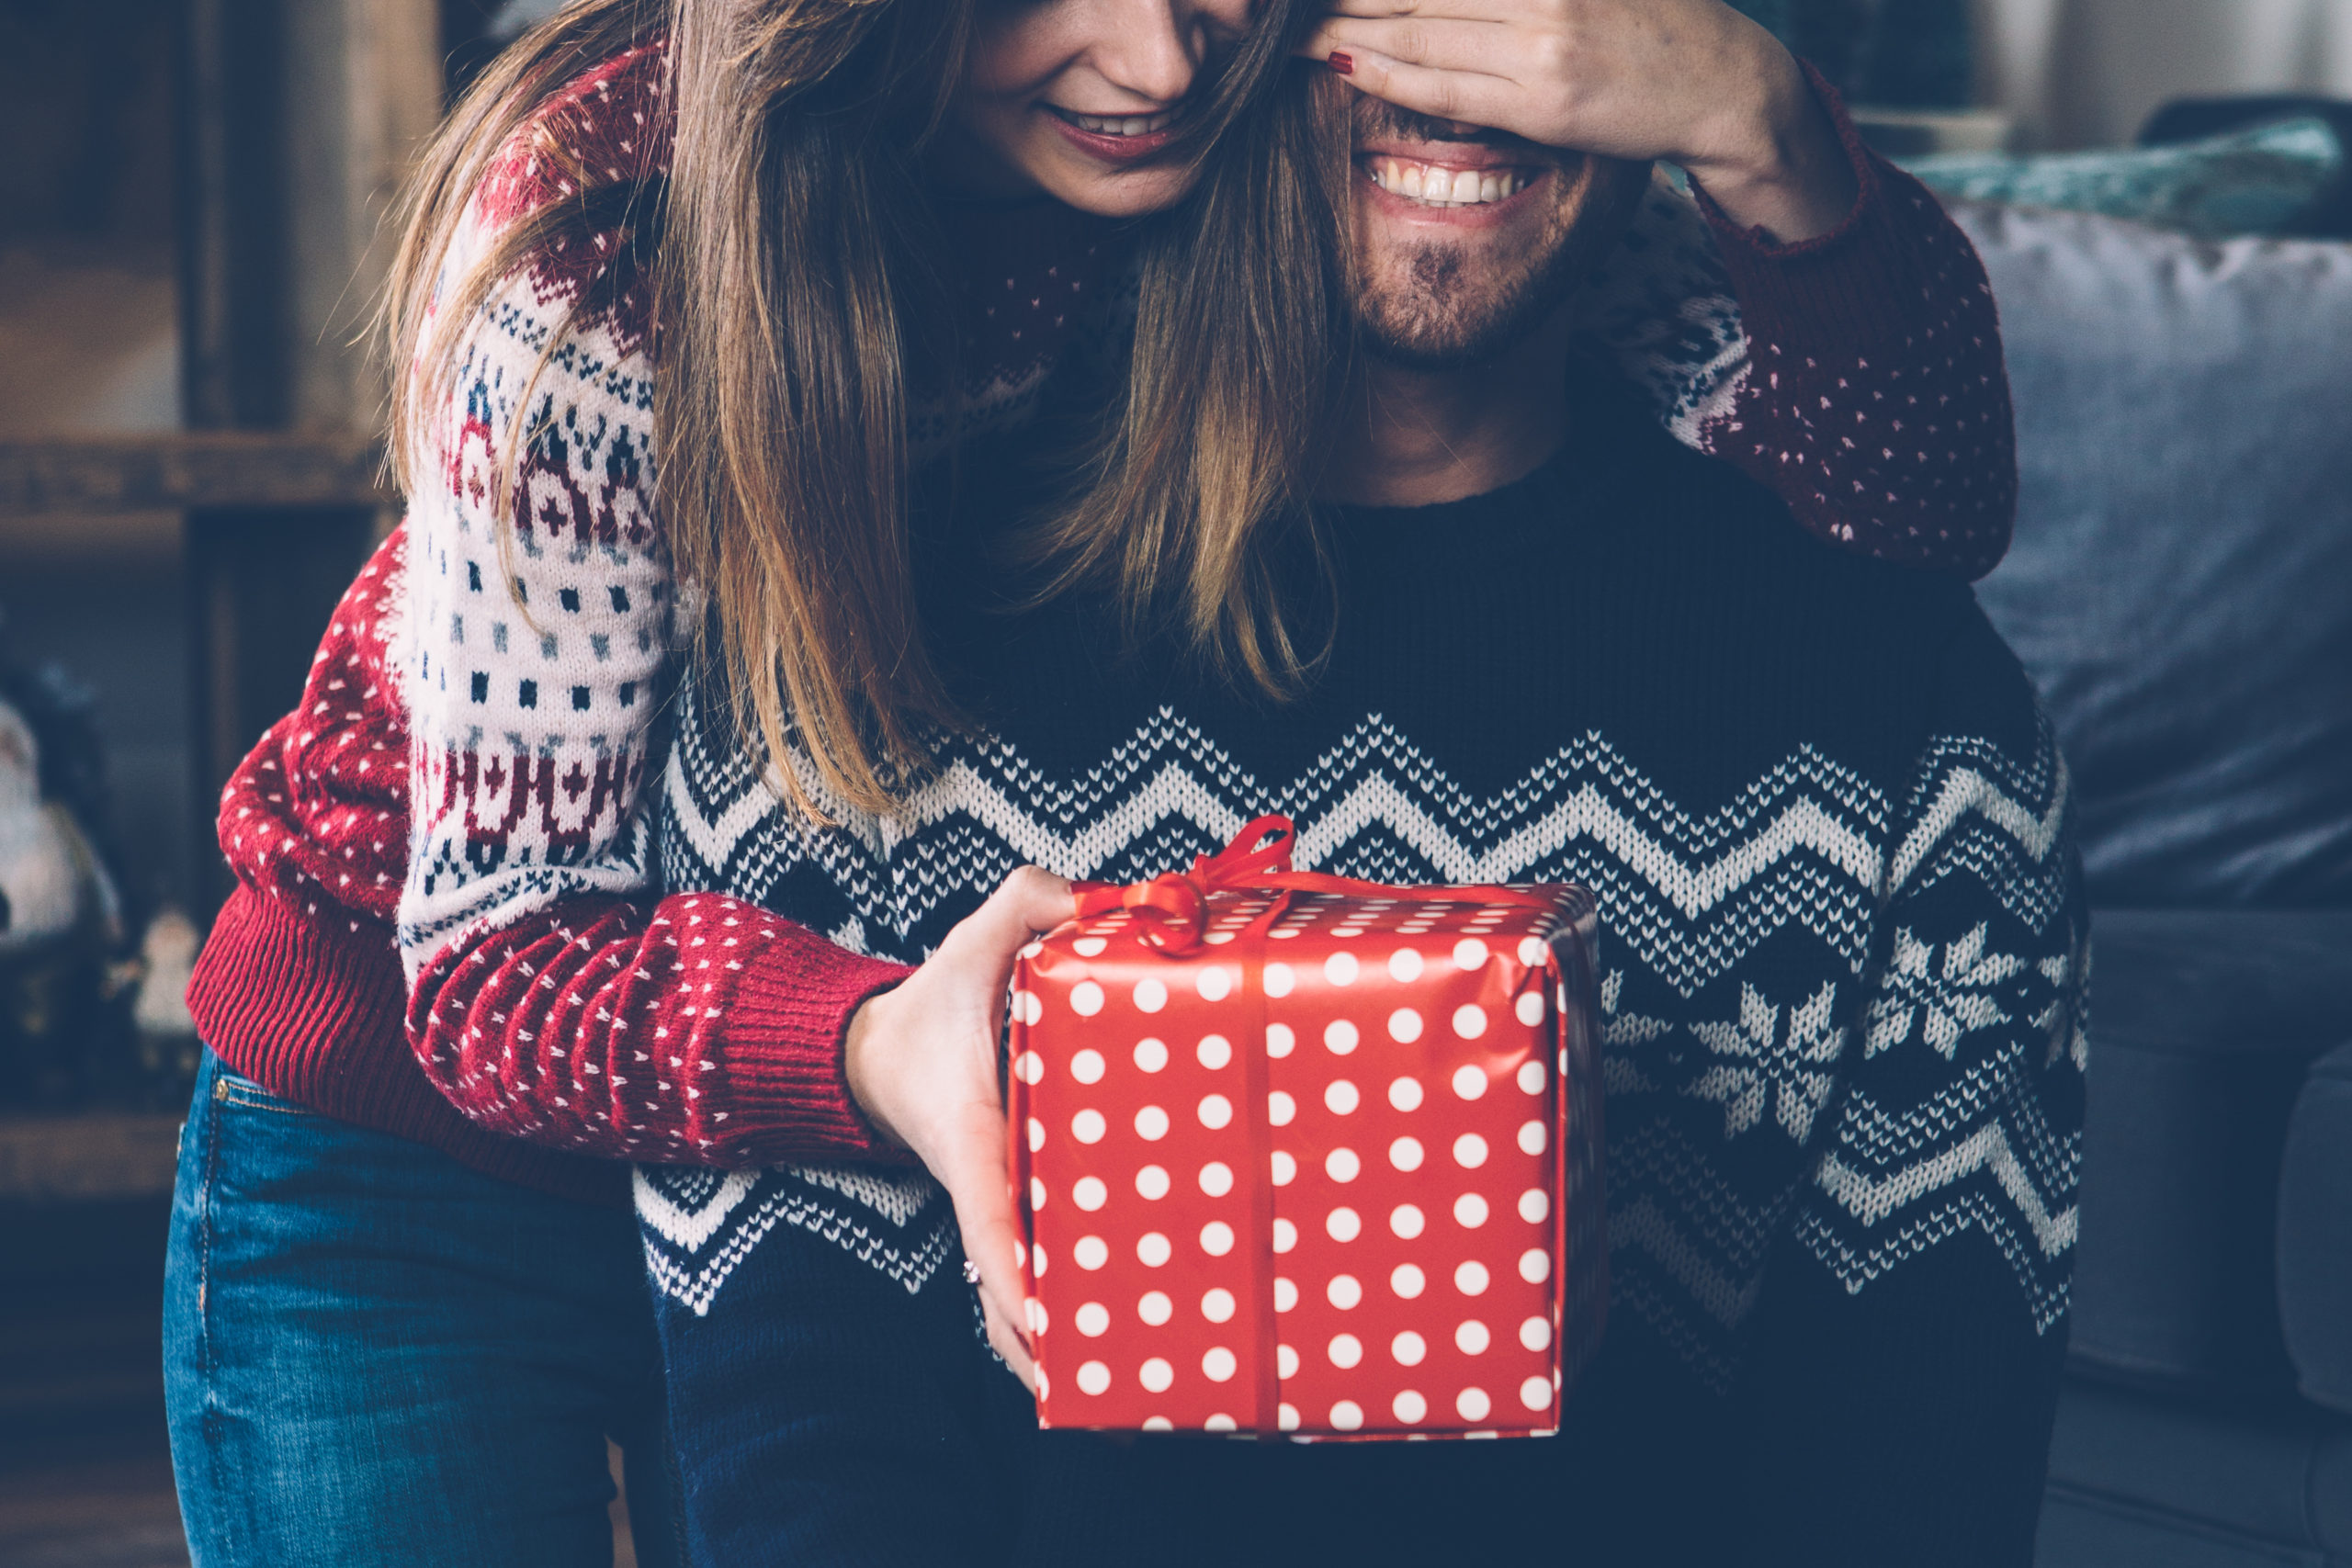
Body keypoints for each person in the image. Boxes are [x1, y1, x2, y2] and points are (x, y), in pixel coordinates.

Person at [173, 0, 2018, 1562]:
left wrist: (1768, 129)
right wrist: (878, 1039)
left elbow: (1903, 510)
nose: (1151, 57)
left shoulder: (1222, 137)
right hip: (418, 1145)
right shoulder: (608, 256)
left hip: (815, 1136)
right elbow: (496, 968)